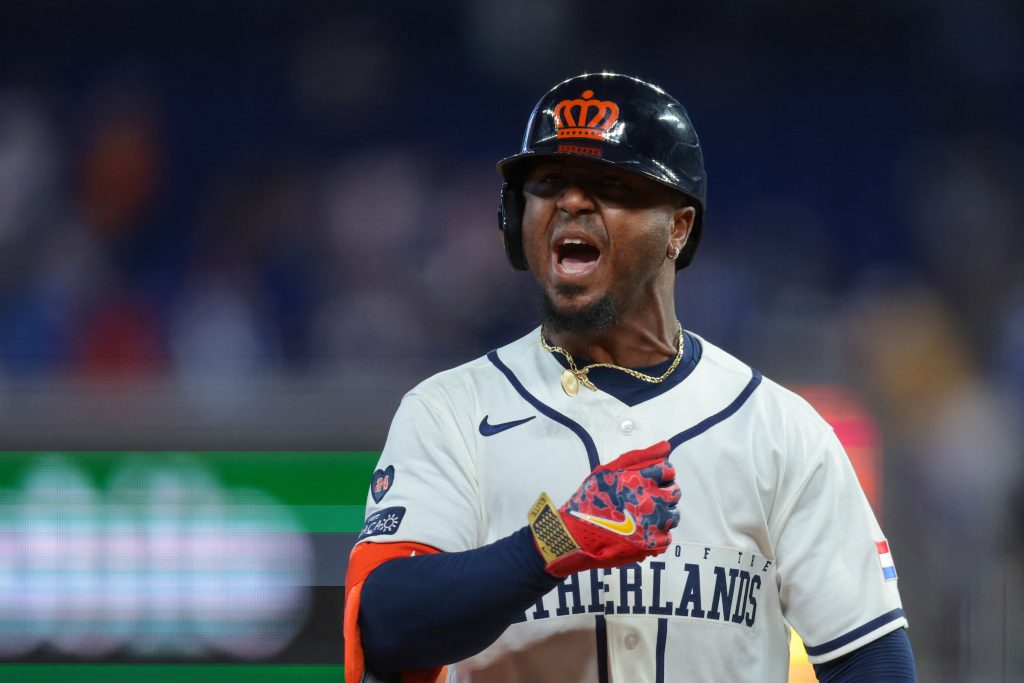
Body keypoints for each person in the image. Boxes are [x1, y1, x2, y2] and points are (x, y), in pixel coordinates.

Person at [343, 72, 917, 683]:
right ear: (516, 219)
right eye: (548, 183)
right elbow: (385, 624)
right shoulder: (451, 411)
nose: (571, 202)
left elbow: (872, 661)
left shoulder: (777, 429)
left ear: (678, 228)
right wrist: (554, 542)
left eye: (610, 184)